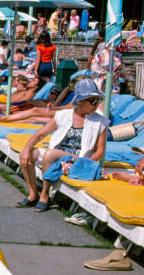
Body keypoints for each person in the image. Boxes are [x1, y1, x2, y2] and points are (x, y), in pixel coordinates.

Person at [17, 79, 107, 212]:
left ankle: (45, 195)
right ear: (81, 101)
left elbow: (100, 151)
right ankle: (33, 194)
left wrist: (85, 163)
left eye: (97, 100)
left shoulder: (100, 122)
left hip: (77, 159)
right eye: (92, 101)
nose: (96, 104)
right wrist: (25, 149)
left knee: (50, 153)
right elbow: (39, 135)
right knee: (28, 154)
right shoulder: (63, 116)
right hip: (56, 156)